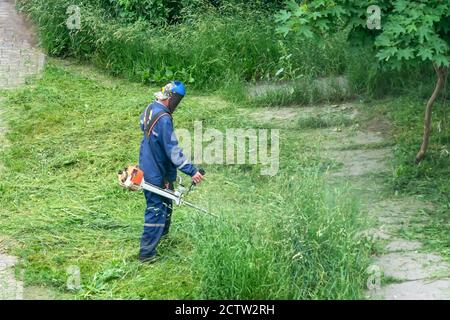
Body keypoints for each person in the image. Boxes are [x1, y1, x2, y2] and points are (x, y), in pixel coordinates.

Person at [138, 81, 203, 263]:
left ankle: (162, 238)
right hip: (155, 170)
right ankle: (146, 254)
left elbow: (141, 124)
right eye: (177, 99)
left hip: (149, 162)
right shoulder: (164, 119)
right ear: (171, 97)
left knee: (167, 203)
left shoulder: (151, 107)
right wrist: (192, 171)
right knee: (156, 209)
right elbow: (173, 150)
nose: (177, 103)